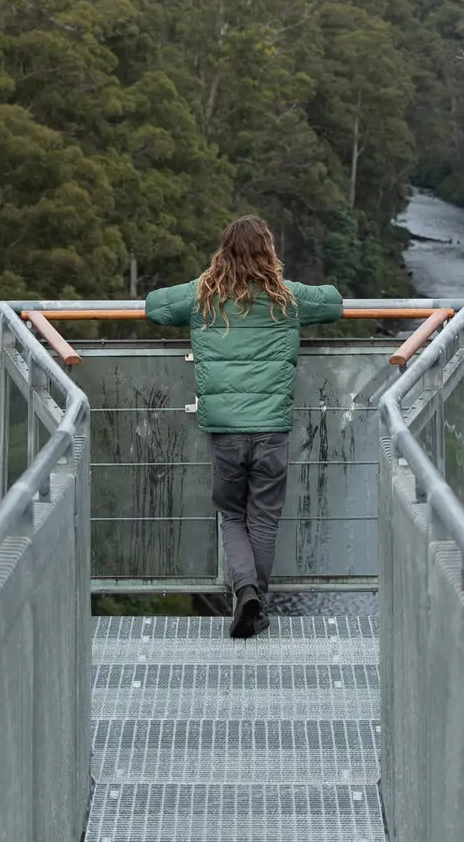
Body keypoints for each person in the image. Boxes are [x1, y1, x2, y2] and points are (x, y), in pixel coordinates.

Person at [144, 216, 344, 638]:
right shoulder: (287, 297)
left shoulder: (204, 295)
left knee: (233, 515)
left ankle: (246, 591)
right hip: (272, 429)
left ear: (223, 252)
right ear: (268, 251)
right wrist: (282, 278)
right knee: (264, 521)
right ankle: (257, 602)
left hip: (225, 431)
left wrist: (205, 278)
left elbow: (154, 306)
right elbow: (334, 302)